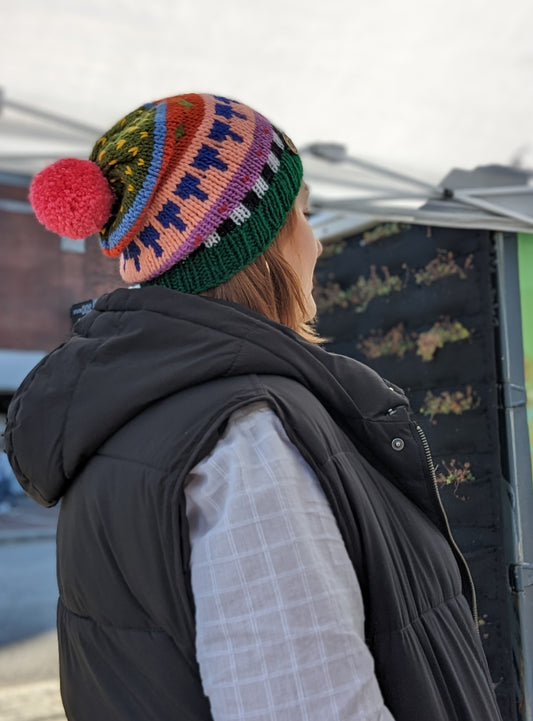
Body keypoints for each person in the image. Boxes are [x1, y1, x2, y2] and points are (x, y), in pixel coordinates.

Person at [5, 93, 502, 721]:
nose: (316, 243)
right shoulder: (246, 440)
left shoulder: (133, 418)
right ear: (258, 243)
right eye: (303, 213)